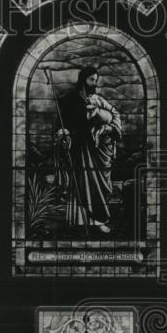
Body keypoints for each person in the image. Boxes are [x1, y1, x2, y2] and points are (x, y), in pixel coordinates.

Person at [54, 65, 122, 233]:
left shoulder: (98, 100)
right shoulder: (70, 100)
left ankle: (98, 221)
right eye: (91, 80)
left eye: (96, 80)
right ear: (83, 79)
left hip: (97, 149)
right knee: (82, 184)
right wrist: (64, 135)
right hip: (79, 149)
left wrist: (107, 128)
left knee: (99, 184)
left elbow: (115, 116)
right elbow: (61, 125)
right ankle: (79, 220)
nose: (94, 83)